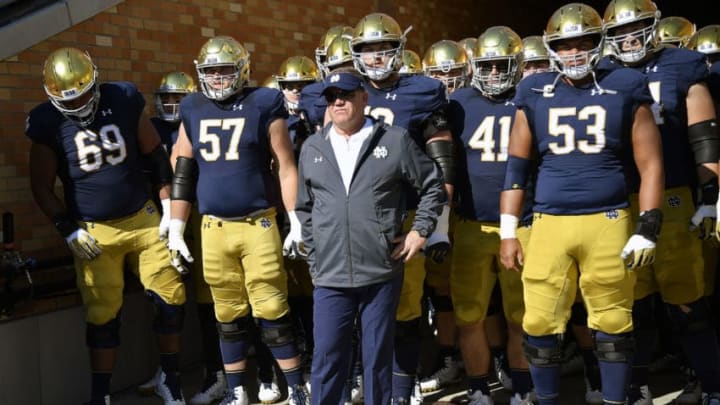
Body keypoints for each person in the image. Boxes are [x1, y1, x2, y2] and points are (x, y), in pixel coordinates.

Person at [499, 3, 665, 405]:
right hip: (549, 221)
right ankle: (547, 398)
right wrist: (507, 231)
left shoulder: (625, 83)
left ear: (599, 44)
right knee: (538, 320)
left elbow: (651, 162)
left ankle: (614, 399)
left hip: (607, 218)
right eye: (565, 45)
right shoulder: (533, 90)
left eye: (583, 44)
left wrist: (648, 226)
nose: (574, 53)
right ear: (551, 48)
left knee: (611, 318)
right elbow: (517, 165)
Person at [26, 47, 188, 405]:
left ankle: (171, 379)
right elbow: (40, 186)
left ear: (95, 82)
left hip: (142, 219)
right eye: (69, 98)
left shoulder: (122, 97)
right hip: (93, 229)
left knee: (170, 299)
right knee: (101, 314)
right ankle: (101, 395)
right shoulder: (47, 122)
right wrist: (67, 228)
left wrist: (166, 208)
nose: (80, 103)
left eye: (84, 93)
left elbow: (155, 156)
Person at [167, 35, 309, 405]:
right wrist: (177, 227)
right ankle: (236, 392)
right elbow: (183, 170)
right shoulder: (193, 106)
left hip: (257, 223)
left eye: (224, 70)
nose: (216, 78)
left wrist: (295, 218)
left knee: (272, 309)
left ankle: (295, 387)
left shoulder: (263, 101)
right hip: (213, 226)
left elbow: (285, 165)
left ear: (242, 69)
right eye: (210, 71)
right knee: (226, 314)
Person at [295, 68, 446, 405]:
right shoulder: (313, 147)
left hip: (380, 272)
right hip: (330, 275)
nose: (338, 103)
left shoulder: (394, 140)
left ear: (364, 97)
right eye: (332, 97)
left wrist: (420, 231)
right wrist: (315, 254)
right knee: (327, 360)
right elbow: (304, 208)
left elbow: (433, 186)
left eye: (346, 95)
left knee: (377, 360)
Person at [602, 1, 720, 404]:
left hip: (672, 194)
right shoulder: (599, 71)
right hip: (617, 197)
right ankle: (636, 387)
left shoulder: (682, 64)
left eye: (638, 28)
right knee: (628, 302)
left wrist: (710, 196)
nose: (630, 38)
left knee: (687, 301)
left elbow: (703, 134)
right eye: (620, 31)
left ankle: (712, 385)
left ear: (654, 27)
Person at [350, 13, 455, 403]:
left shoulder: (422, 92)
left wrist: (438, 225)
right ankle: (371, 380)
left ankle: (403, 387)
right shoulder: (341, 92)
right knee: (360, 308)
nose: (375, 58)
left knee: (406, 308)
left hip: (405, 215)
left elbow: (442, 161)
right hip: (356, 218)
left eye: (383, 49)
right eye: (367, 50)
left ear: (399, 50)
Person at [444, 25, 534, 405]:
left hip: (524, 224)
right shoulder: (458, 102)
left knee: (523, 316)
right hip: (470, 223)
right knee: (469, 316)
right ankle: (479, 388)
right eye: (487, 66)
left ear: (515, 64)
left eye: (501, 65)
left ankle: (524, 387)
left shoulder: (532, 97)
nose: (494, 74)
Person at [136, 71, 229, 405]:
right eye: (168, 98)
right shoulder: (152, 128)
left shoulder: (200, 120)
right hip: (163, 220)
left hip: (202, 214)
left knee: (212, 296)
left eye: (179, 98)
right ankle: (168, 371)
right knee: (165, 299)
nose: (173, 105)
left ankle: (219, 373)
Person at [417, 38, 469, 395]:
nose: (447, 80)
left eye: (453, 72)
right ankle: (450, 359)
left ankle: (493, 360)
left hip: (477, 212)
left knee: (479, 292)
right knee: (439, 290)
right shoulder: (423, 108)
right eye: (438, 73)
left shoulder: (472, 103)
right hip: (435, 211)